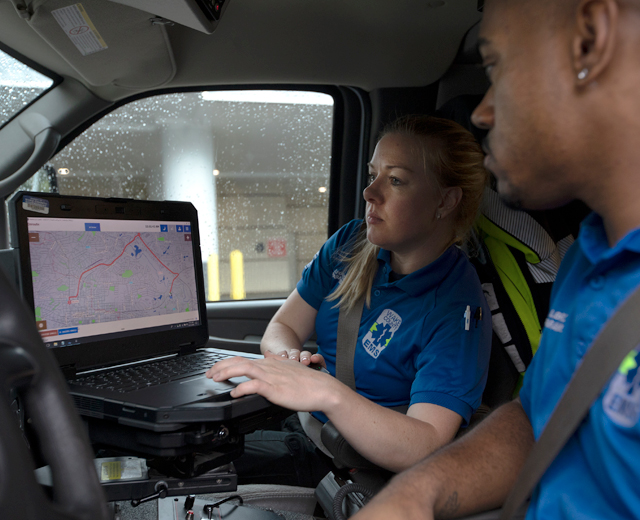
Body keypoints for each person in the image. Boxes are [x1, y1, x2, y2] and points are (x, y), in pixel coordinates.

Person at [352, 0, 640, 519]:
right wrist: (415, 494)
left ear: (590, 41)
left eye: (496, 66)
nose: (482, 113)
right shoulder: (588, 254)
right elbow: (537, 418)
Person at [206, 114, 492, 484]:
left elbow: (424, 444)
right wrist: (289, 361)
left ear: (445, 200)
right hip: (300, 423)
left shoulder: (455, 306)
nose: (370, 192)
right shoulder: (350, 243)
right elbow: (283, 326)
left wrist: (325, 392)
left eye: (395, 180)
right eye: (373, 174)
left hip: (349, 465)